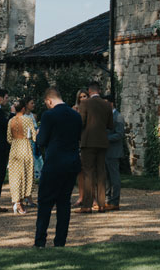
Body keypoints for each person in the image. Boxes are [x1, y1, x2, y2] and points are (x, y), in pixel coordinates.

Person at [32, 87, 83, 248]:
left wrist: (39, 133)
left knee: (45, 203)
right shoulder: (76, 116)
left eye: (46, 103)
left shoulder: (49, 115)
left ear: (49, 100)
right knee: (64, 204)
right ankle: (60, 242)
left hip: (54, 164)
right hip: (71, 164)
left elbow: (41, 141)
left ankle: (40, 241)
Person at [77, 82, 113, 213]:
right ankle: (102, 204)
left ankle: (87, 205)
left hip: (88, 142)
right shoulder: (107, 105)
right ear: (99, 90)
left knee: (88, 173)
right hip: (102, 142)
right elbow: (110, 125)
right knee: (101, 173)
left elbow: (81, 122)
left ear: (89, 91)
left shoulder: (85, 104)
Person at [7, 96, 37, 215]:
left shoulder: (11, 121)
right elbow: (34, 137)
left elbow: (9, 138)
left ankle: (16, 201)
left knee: (15, 175)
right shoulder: (28, 120)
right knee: (26, 174)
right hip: (25, 147)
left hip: (14, 148)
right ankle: (20, 201)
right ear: (23, 109)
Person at [105, 102, 127, 211]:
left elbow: (119, 134)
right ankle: (107, 200)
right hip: (106, 151)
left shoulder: (118, 116)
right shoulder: (106, 116)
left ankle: (115, 202)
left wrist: (106, 138)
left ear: (111, 104)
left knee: (114, 178)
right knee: (107, 177)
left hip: (114, 151)